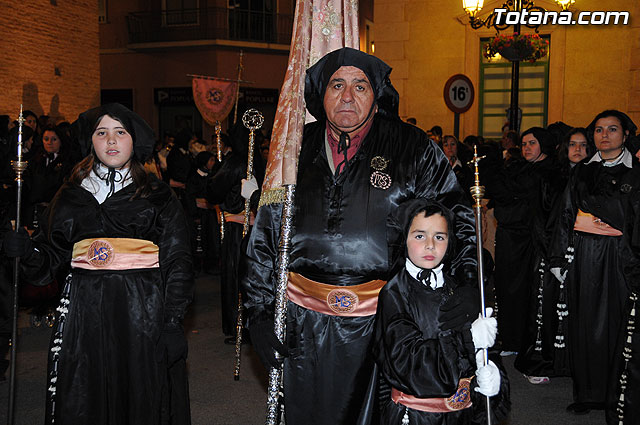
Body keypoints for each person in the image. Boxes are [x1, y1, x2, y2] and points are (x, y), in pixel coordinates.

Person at [241, 47, 477, 425]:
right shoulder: (292, 148)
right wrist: (257, 311)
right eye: (337, 85)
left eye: (360, 86)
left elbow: (457, 218)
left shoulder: (413, 148)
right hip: (303, 324)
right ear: (321, 94)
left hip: (385, 322)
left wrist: (469, 283)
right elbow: (266, 234)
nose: (347, 96)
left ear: (377, 94)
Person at [2, 103, 194, 424]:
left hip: (141, 313)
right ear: (90, 141)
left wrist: (172, 322)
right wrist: (25, 252)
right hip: (83, 313)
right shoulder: (71, 194)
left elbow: (178, 260)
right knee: (85, 393)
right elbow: (49, 259)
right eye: (101, 133)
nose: (111, 141)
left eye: (120, 132)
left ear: (134, 140)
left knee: (140, 395)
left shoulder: (157, 195)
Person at [373, 199, 509, 424]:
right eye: (419, 236)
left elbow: (482, 348)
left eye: (439, 236)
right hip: (418, 417)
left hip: (461, 415)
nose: (430, 245)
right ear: (403, 240)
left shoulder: (457, 289)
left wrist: (492, 374)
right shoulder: (395, 294)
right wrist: (467, 338)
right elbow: (407, 364)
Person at [548, 110, 640, 417]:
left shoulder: (636, 172)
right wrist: (559, 257)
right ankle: (587, 393)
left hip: (621, 256)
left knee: (618, 323)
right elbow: (565, 212)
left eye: (613, 129)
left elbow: (630, 216)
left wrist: (602, 211)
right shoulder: (582, 172)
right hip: (585, 255)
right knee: (584, 323)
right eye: (599, 130)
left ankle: (617, 393)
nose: (605, 135)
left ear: (626, 134)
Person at [483, 127, 560, 360]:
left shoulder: (549, 172)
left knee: (526, 291)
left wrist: (510, 197)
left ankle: (523, 341)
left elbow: (515, 196)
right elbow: (501, 194)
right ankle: (511, 337)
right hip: (509, 238)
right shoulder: (521, 168)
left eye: (532, 143)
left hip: (530, 241)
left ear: (543, 145)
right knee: (506, 288)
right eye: (524, 144)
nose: (527, 148)